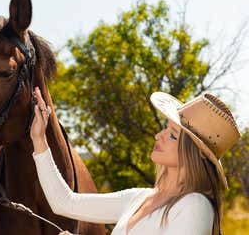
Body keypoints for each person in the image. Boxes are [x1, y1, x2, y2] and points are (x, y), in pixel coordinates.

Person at [29, 86, 240, 235]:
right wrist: (39, 139)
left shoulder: (195, 205)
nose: (159, 136)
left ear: (194, 153)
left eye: (173, 135)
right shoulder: (138, 198)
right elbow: (64, 202)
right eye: (165, 128)